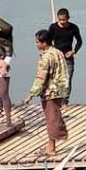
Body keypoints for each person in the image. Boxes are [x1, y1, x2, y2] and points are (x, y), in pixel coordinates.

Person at [21, 29, 70, 157]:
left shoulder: (47, 56)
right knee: (54, 116)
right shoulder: (58, 52)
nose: (36, 44)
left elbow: (41, 78)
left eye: (37, 42)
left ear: (44, 43)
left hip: (50, 91)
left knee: (52, 119)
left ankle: (52, 147)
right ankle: (50, 144)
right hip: (60, 89)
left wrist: (30, 94)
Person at [46, 8, 82, 107]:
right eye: (60, 20)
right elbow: (48, 42)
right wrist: (53, 51)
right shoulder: (53, 27)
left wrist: (73, 51)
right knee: (56, 79)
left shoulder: (73, 28)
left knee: (68, 78)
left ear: (68, 18)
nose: (62, 22)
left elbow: (79, 41)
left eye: (64, 20)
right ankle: (57, 100)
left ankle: (65, 101)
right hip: (57, 57)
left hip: (68, 57)